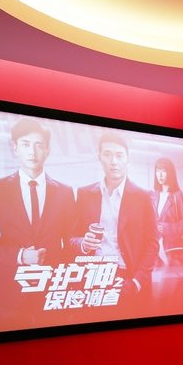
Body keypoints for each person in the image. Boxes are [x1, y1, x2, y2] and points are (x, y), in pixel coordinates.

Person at [0, 117, 75, 329]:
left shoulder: (65, 192)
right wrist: (19, 256)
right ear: (15, 148)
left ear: (47, 150)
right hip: (9, 292)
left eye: (39, 145)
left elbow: (71, 241)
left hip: (52, 291)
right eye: (26, 144)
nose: (32, 152)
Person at [71, 131, 158, 316]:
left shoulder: (144, 196)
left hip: (128, 277)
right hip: (92, 277)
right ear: (99, 157)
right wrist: (83, 244)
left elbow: (152, 244)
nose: (114, 161)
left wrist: (136, 282)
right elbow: (72, 237)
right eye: (107, 154)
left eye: (119, 155)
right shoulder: (85, 194)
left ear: (128, 159)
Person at [151, 157, 183, 261]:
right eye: (157, 171)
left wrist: (166, 228)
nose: (160, 175)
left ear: (170, 173)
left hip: (173, 249)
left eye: (163, 171)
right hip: (155, 248)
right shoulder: (154, 195)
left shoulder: (177, 195)